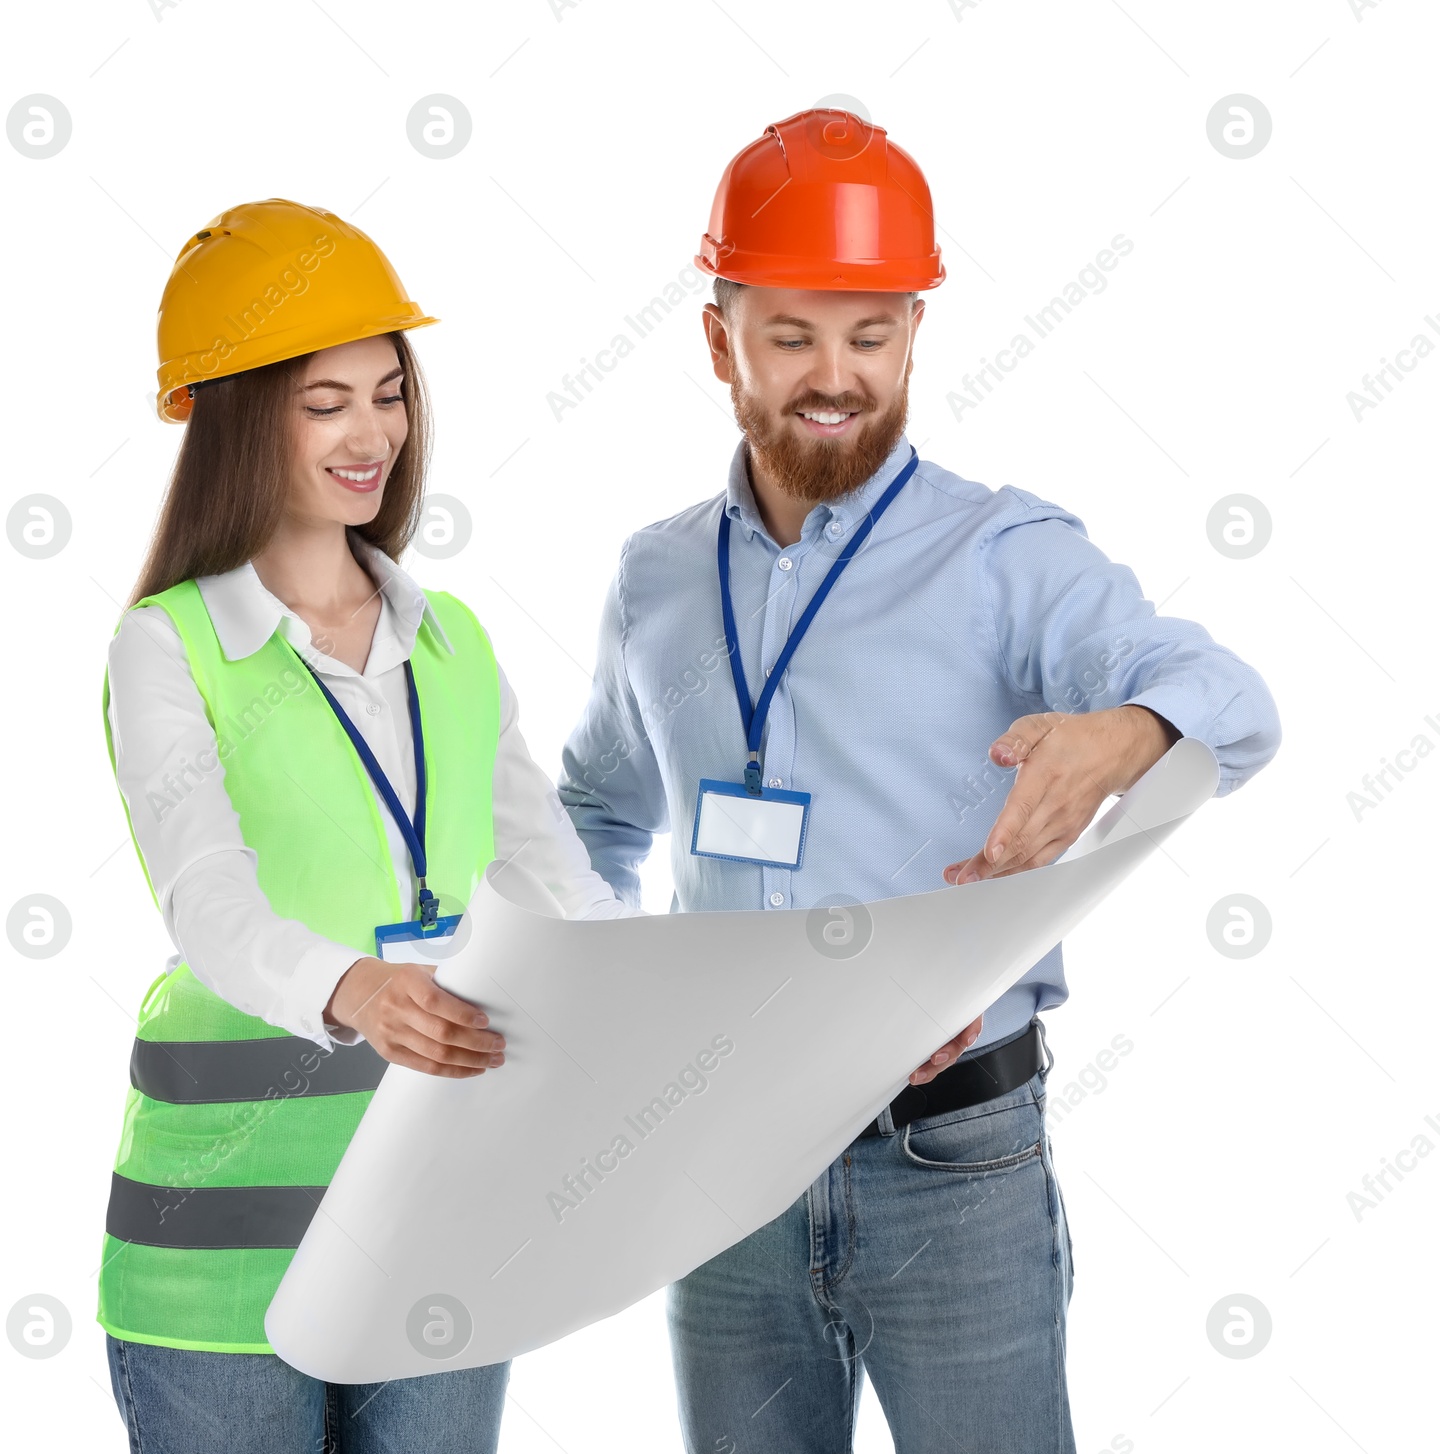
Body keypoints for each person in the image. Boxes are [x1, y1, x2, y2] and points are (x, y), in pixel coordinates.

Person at [558, 110, 1282, 1453]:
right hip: (718, 1164)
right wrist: (598, 982)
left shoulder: (1004, 552)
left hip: (950, 1163)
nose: (834, 374)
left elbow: (1236, 703)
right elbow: (594, 815)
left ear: (912, 335)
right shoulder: (656, 575)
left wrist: (1123, 733)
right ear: (719, 340)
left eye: (871, 334)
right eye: (792, 335)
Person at [97, 198, 636, 1453]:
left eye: (388, 392)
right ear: (239, 414)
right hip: (221, 1252)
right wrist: (350, 986)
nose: (373, 433)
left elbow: (560, 888)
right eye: (324, 399)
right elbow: (206, 898)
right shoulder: (168, 646)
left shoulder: (450, 644)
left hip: (439, 1220)